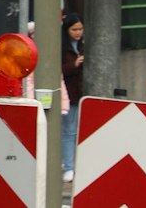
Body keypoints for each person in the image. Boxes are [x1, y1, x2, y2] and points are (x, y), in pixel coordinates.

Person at [60, 14, 85, 179]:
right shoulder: (62, 47)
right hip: (68, 94)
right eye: (74, 29)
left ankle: (70, 163)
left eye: (80, 29)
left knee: (74, 130)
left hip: (81, 93)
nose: (78, 33)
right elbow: (59, 69)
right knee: (69, 130)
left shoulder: (84, 45)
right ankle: (69, 166)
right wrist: (74, 65)